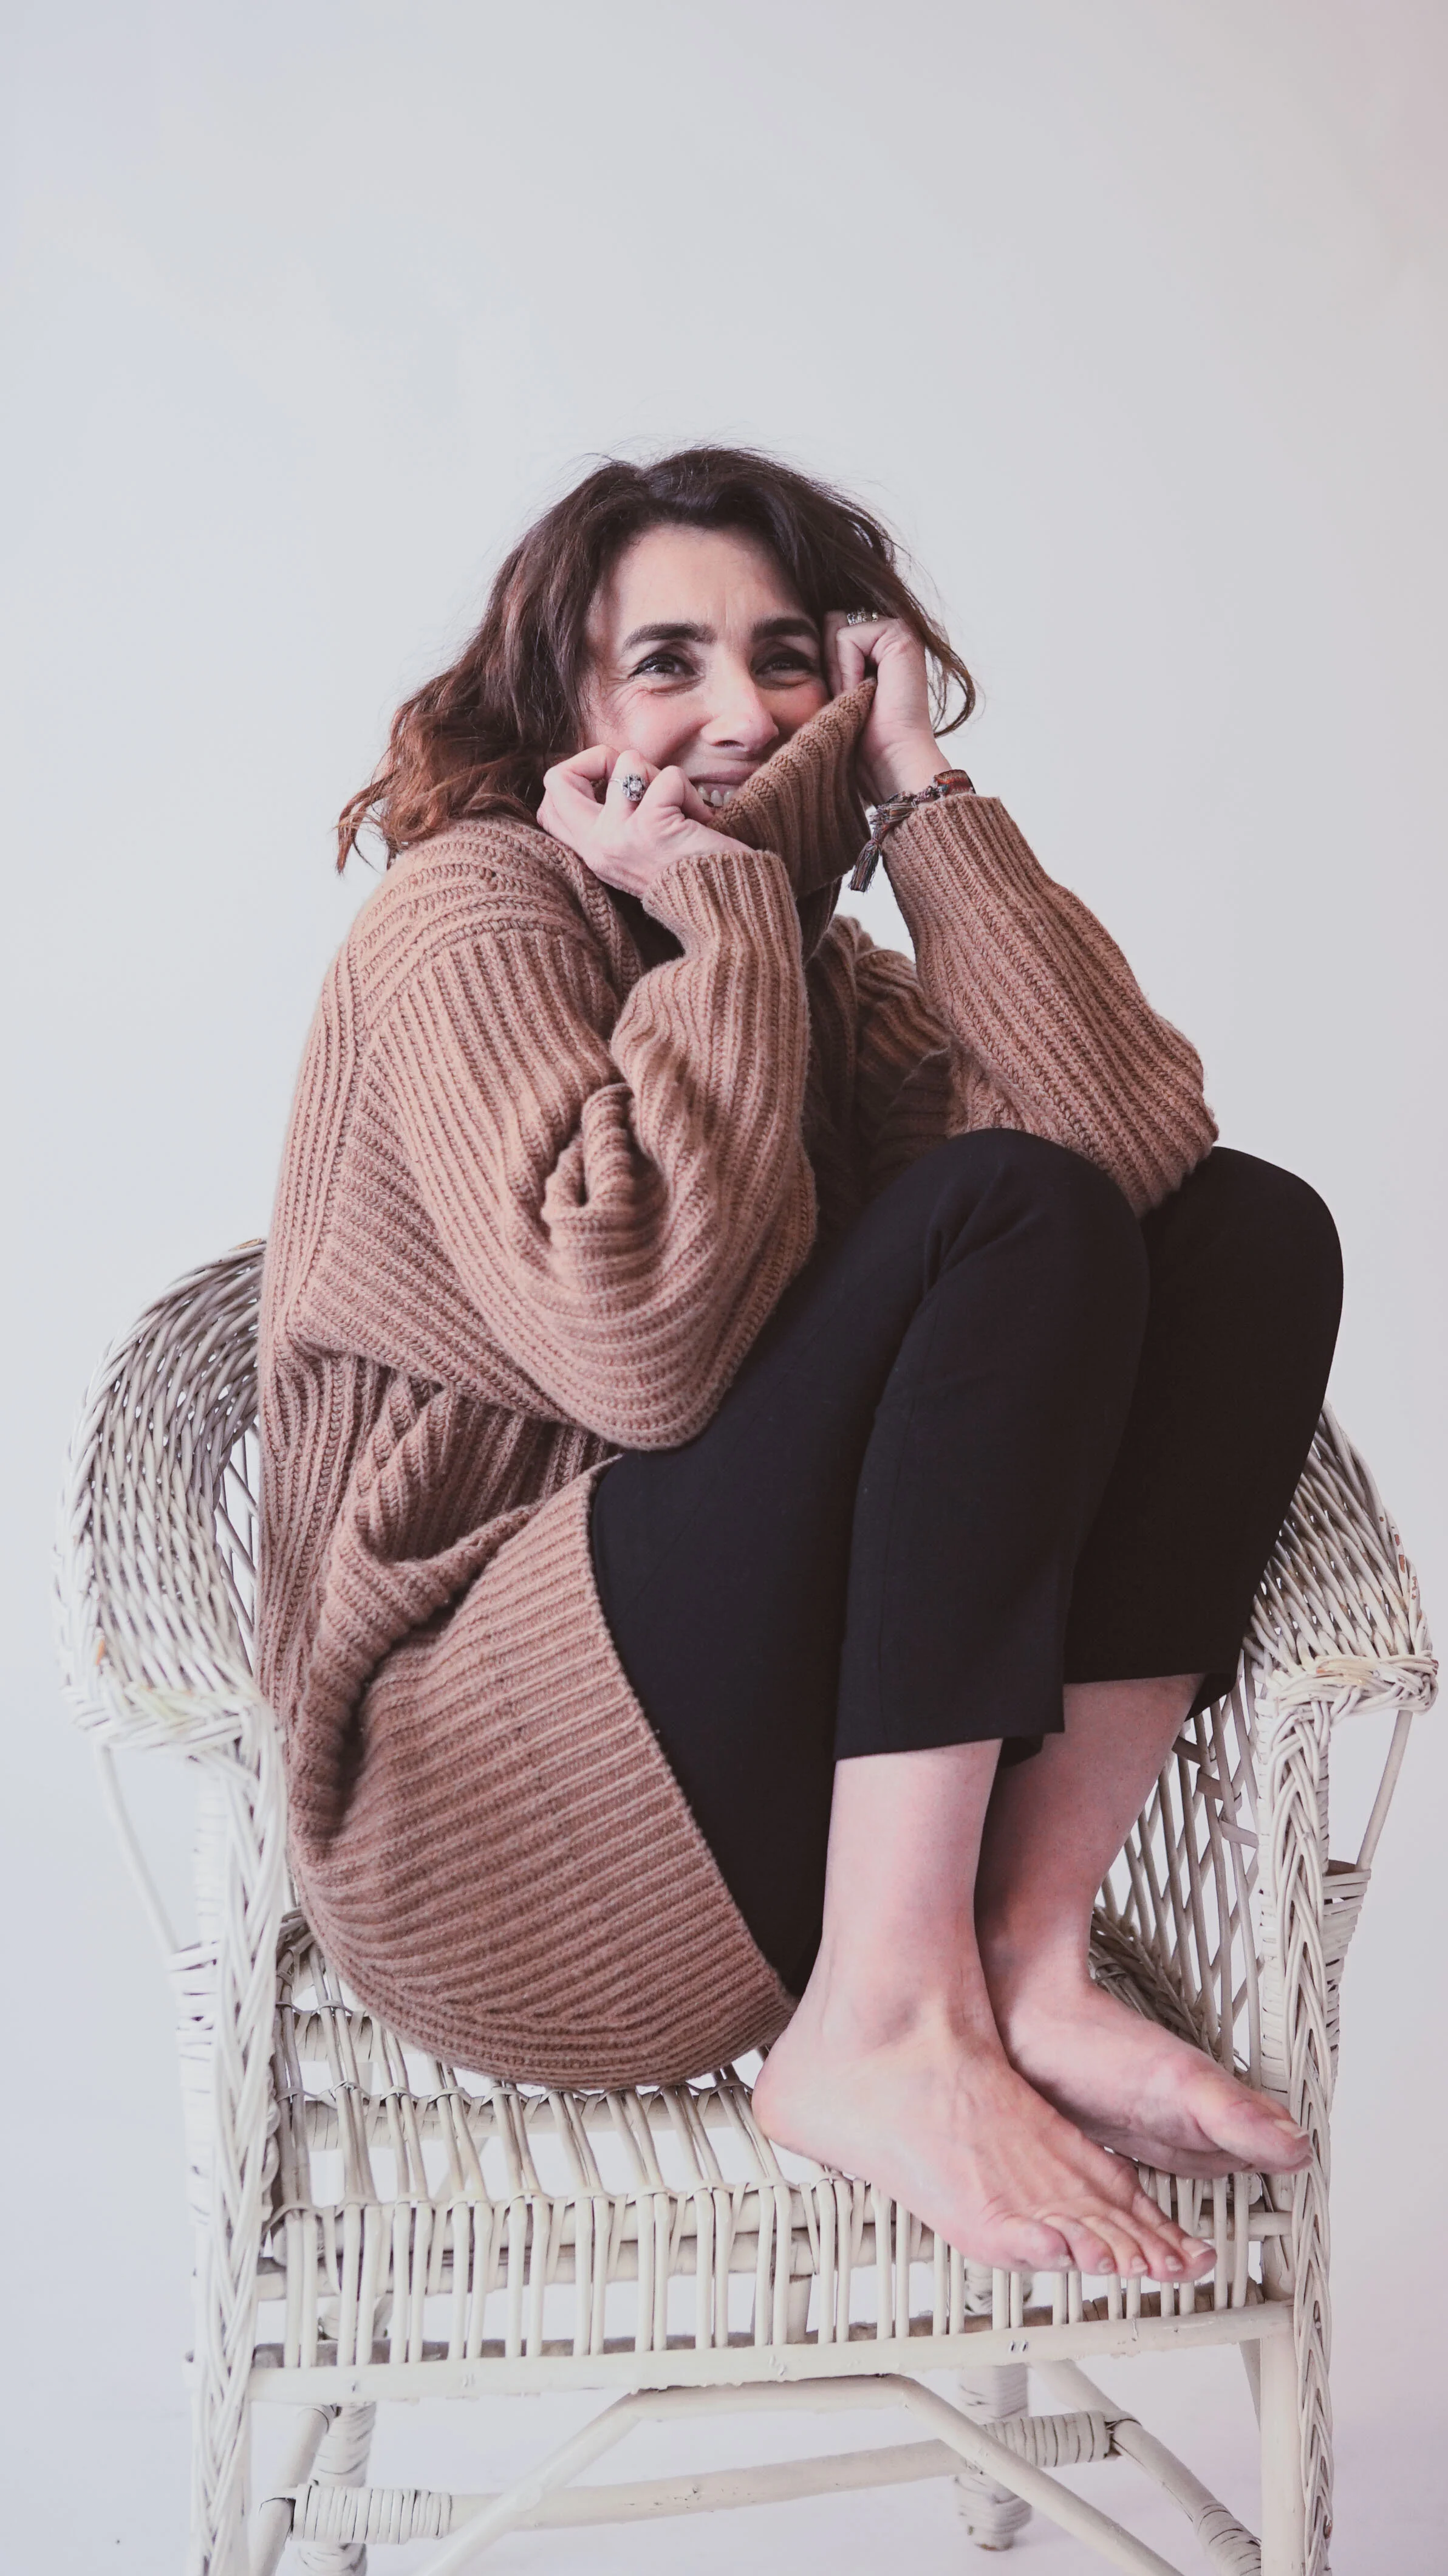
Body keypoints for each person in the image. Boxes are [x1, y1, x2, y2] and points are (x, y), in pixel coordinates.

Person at [258, 447, 1342, 2286]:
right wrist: (734, 915)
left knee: (1244, 1232)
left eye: (785, 656)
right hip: (489, 1814)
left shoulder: (813, 973)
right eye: (666, 662)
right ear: (565, 704)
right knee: (1006, 1213)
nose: (745, 712)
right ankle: (881, 2027)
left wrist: (921, 798)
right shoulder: (470, 916)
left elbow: (1129, 1148)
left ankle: (1015, 1957)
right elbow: (642, 1352)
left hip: (777, 1786)